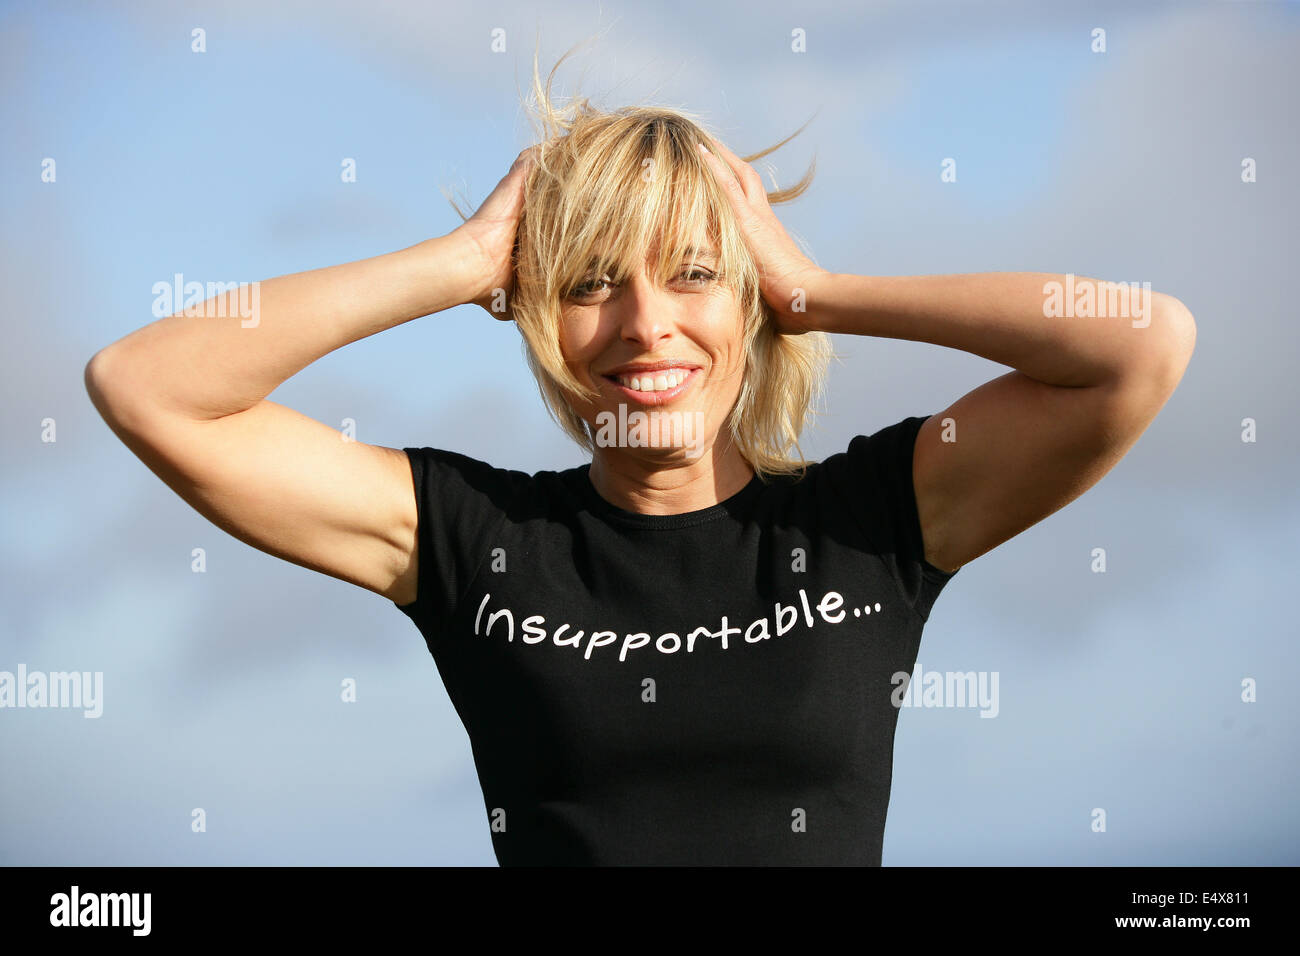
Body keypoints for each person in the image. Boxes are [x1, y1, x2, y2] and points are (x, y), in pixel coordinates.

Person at [84, 54, 1196, 866]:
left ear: (751, 301)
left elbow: (1138, 344)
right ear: (538, 315)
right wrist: (466, 258)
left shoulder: (872, 521)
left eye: (695, 275)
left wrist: (817, 293)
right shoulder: (476, 539)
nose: (644, 322)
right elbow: (146, 384)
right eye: (590, 281)